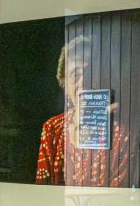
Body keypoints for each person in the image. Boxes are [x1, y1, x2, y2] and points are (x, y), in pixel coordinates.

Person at [34, 38, 131, 188]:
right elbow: (42, 190)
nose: (84, 83)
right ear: (65, 85)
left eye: (91, 73)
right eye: (75, 75)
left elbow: (120, 194)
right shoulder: (52, 129)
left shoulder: (120, 131)